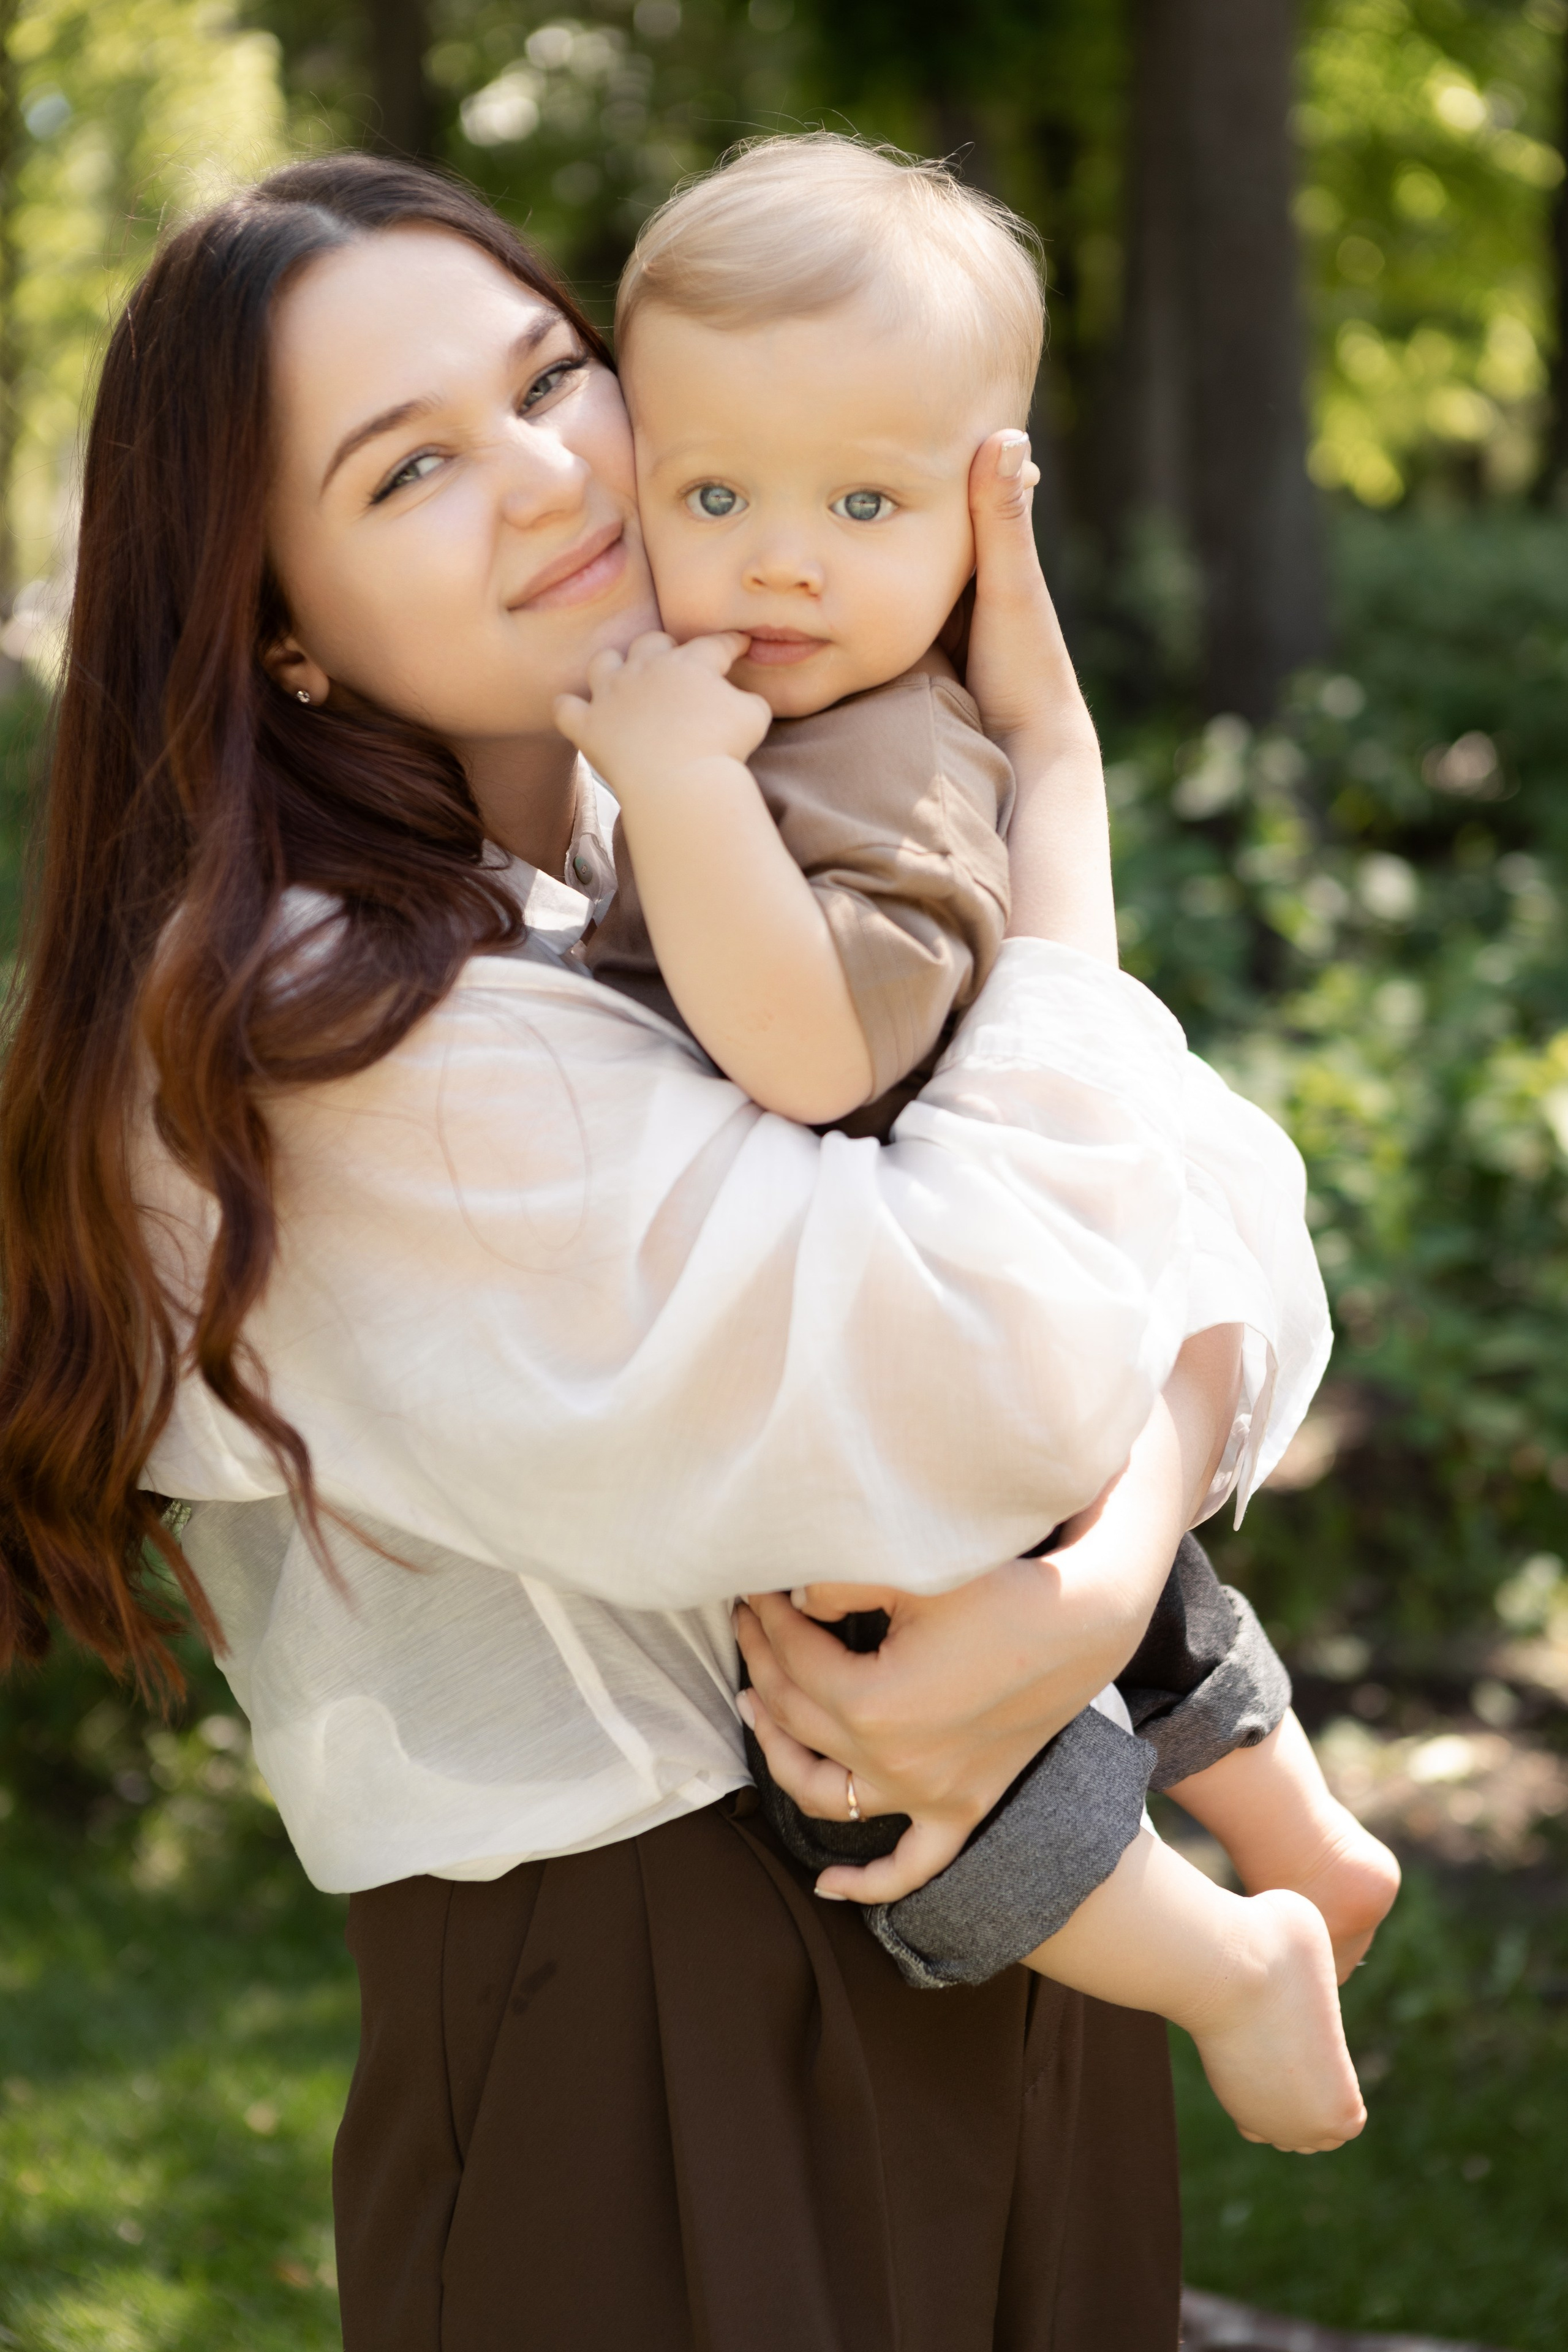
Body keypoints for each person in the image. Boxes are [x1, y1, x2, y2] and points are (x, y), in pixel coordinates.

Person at [0, 153, 1325, 2350]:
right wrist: (1055, 785)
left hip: (1017, 1904)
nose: (550, 475)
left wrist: (1099, 1582)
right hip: (652, 2016)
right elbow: (988, 1374)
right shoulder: (307, 1031)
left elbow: (1230, 1200)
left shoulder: (693, 815)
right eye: (411, 467)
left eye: (552, 379)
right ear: (277, 624)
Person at [567, 132, 1395, 2151]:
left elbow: (809, 1051)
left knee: (863, 1755)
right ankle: (1301, 1827)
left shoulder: (883, 766)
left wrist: (676, 792)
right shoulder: (807, 726)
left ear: (980, 519)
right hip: (995, 1338)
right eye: (713, 496)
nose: (782, 561)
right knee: (1118, 1591)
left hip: (925, 1379)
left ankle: (1230, 1959)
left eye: (863, 504)